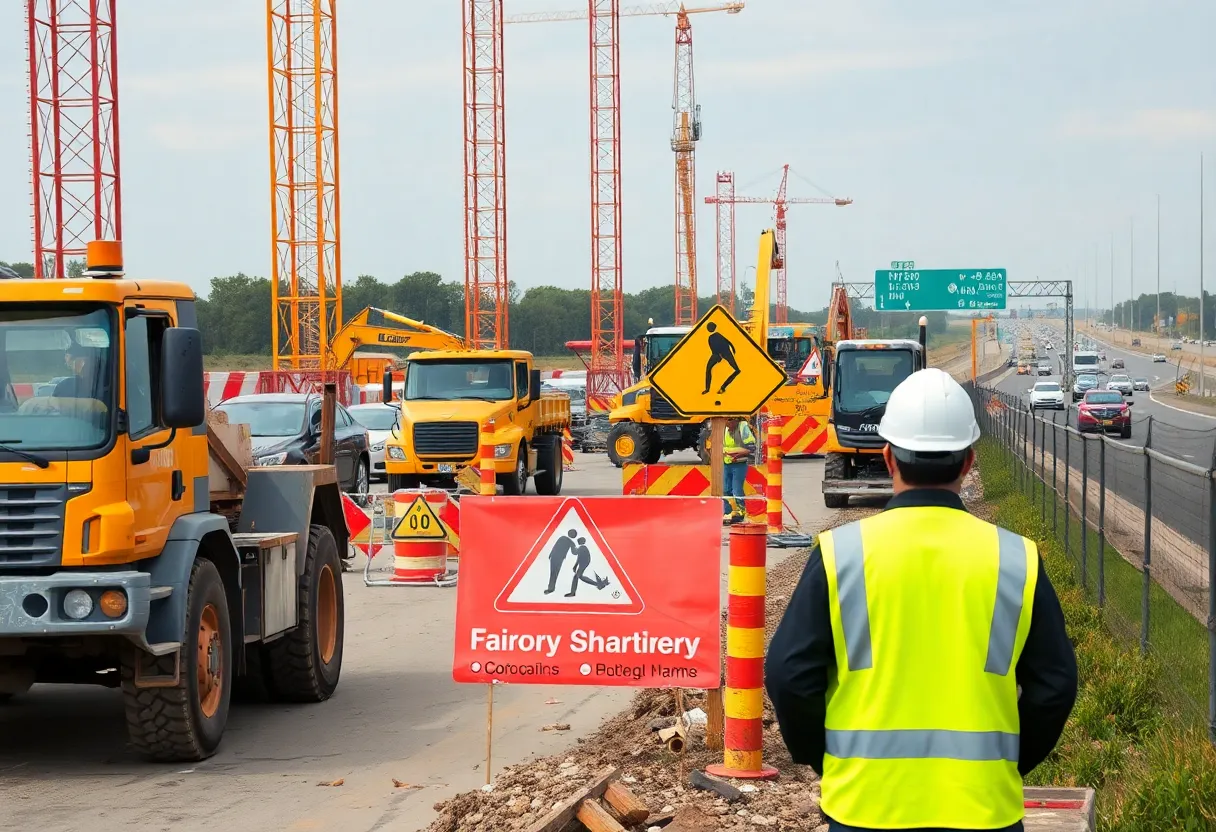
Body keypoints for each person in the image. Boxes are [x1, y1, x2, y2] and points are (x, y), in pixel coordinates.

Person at [765, 368, 1077, 832]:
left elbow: (788, 677)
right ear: (970, 461)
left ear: (888, 457)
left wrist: (827, 760)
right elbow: (1055, 687)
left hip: (864, 807)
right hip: (983, 810)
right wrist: (1005, 764)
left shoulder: (840, 556)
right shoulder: (1017, 560)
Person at [721, 416, 755, 524]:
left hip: (739, 464)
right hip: (726, 463)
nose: (727, 424)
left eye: (729, 421)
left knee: (736, 490)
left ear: (736, 420)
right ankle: (727, 513)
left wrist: (737, 453)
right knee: (725, 490)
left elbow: (751, 447)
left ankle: (740, 513)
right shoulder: (723, 428)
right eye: (725, 420)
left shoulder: (742, 426)